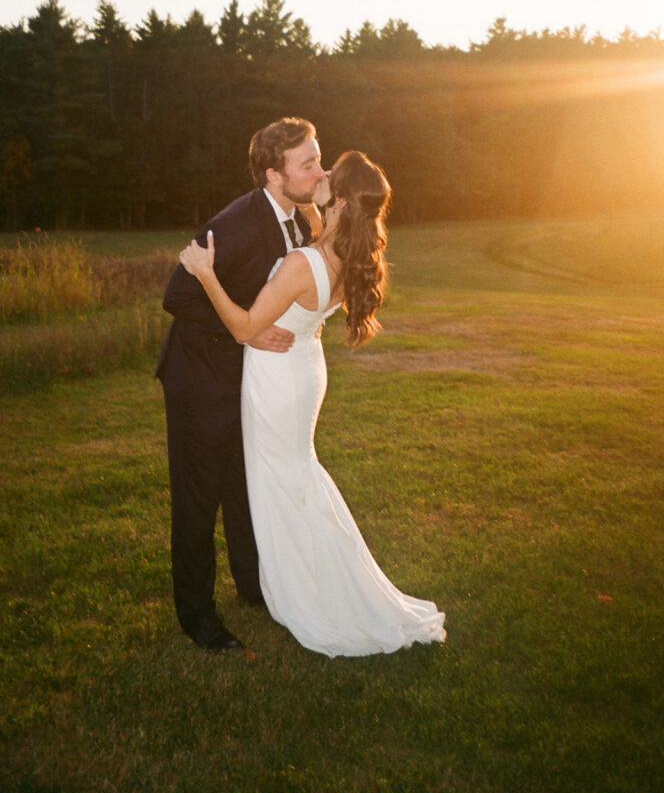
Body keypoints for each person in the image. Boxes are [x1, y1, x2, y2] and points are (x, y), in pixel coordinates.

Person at [179, 150, 446, 657]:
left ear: (342, 202)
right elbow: (317, 216)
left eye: (328, 175)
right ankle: (312, 575)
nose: (319, 176)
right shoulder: (349, 252)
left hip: (279, 383)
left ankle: (314, 591)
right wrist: (299, 189)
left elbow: (242, 327)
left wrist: (205, 272)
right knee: (296, 478)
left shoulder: (306, 262)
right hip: (303, 370)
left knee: (286, 484)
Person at [156, 117, 327, 652]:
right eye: (309, 164)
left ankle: (253, 586)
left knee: (243, 485)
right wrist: (247, 334)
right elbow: (178, 296)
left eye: (319, 158)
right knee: (198, 497)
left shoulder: (299, 217)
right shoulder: (233, 224)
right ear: (274, 175)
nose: (319, 170)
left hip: (245, 381)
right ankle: (197, 616)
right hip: (200, 380)